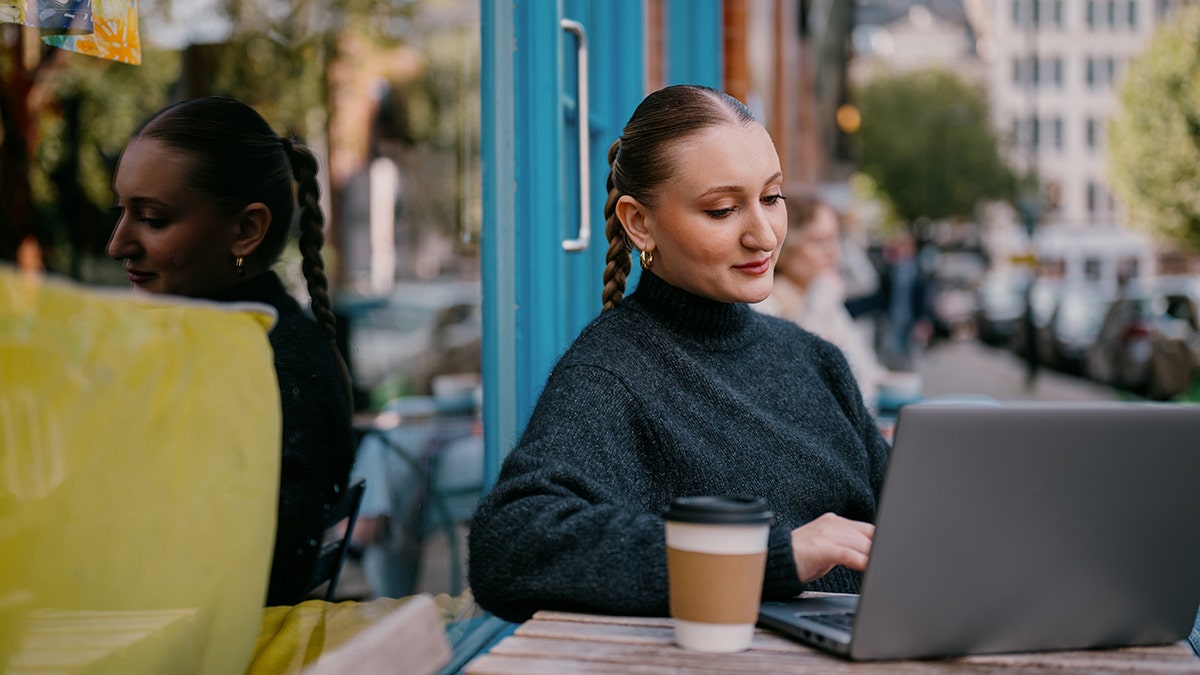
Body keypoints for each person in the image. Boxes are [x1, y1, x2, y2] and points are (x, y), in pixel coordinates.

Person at [468, 84, 888, 623]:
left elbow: (908, 517)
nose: (763, 236)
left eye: (772, 198)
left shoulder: (816, 361)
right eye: (721, 210)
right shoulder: (611, 373)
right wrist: (768, 555)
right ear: (640, 222)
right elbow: (511, 545)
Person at [106, 96, 356, 606]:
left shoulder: (266, 368)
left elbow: (252, 573)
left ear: (245, 231)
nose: (118, 244)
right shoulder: (239, 345)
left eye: (151, 219)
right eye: (122, 212)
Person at [754, 193, 888, 408]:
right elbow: (794, 381)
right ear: (787, 243)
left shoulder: (823, 298)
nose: (834, 253)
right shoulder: (763, 303)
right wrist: (819, 302)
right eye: (819, 241)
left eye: (835, 240)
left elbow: (867, 374)